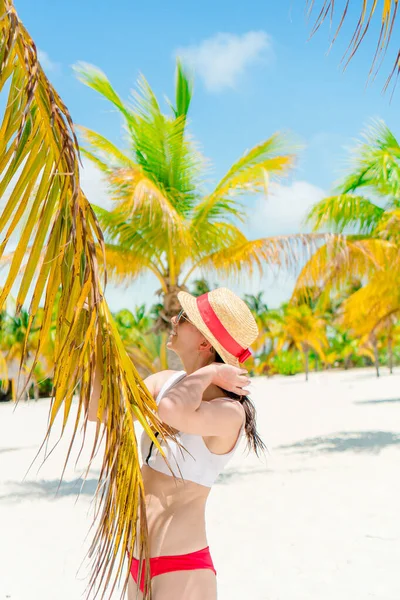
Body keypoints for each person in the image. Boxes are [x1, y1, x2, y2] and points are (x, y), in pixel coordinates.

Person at [88, 287, 266, 600]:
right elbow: (100, 411)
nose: (173, 318)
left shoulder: (229, 413)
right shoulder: (167, 382)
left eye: (183, 317)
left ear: (204, 343)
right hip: (138, 561)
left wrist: (209, 373)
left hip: (182, 568)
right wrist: (93, 338)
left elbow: (172, 411)